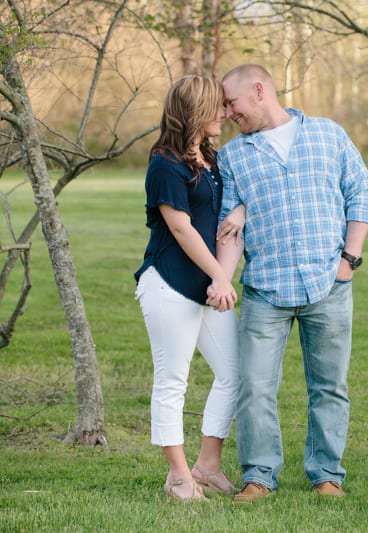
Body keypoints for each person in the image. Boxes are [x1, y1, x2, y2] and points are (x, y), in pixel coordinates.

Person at [209, 64, 368, 501]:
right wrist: (221, 280)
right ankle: (259, 477)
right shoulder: (232, 156)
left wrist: (349, 260)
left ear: (259, 90)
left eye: (231, 102)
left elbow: (360, 191)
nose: (227, 113)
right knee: (256, 387)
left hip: (330, 285)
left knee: (329, 387)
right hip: (266, 288)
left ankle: (326, 476)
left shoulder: (327, 134)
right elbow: (230, 228)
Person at [134, 75, 245, 501]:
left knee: (233, 373)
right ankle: (179, 478)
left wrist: (220, 275)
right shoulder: (165, 164)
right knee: (172, 382)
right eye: (216, 106)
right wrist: (220, 276)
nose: (224, 113)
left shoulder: (211, 159)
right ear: (195, 111)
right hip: (169, 284)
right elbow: (180, 228)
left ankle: (207, 465)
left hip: (207, 285)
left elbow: (222, 215)